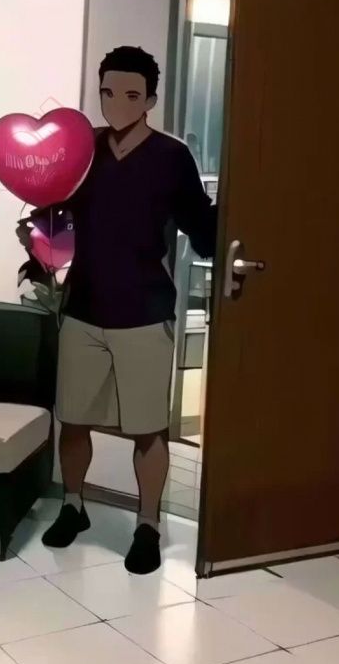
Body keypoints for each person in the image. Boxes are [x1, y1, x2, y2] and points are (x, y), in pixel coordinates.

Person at [40, 46, 217, 574]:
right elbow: (55, 220)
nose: (117, 103)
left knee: (148, 428)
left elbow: (202, 231)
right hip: (83, 309)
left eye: (131, 95)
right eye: (108, 93)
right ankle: (74, 506)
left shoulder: (171, 157)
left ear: (150, 100)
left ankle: (148, 524)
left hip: (145, 311)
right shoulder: (82, 151)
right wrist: (40, 240)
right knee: (73, 420)